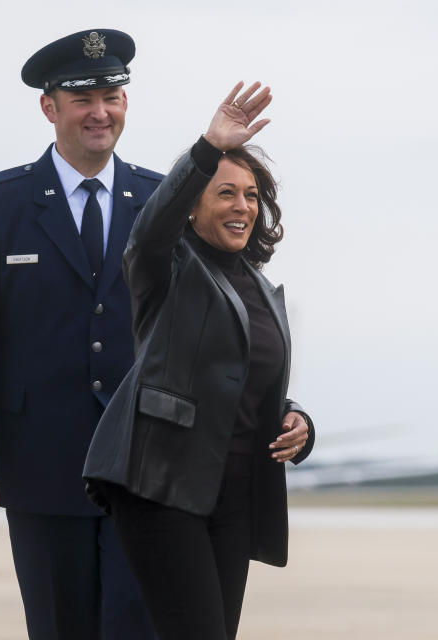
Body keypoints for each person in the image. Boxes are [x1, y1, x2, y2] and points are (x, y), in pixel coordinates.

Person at [0, 29, 159, 640]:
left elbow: (199, 326)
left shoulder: (162, 198)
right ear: (49, 106)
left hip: (143, 464)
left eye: (112, 97)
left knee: (135, 628)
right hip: (39, 462)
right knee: (60, 628)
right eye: (83, 99)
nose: (100, 113)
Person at [83, 82, 315, 640]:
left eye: (252, 196)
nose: (242, 207)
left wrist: (298, 421)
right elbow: (150, 229)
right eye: (226, 193)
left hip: (233, 494)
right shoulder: (165, 267)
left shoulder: (260, 288)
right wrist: (208, 147)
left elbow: (245, 384)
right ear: (192, 208)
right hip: (163, 487)